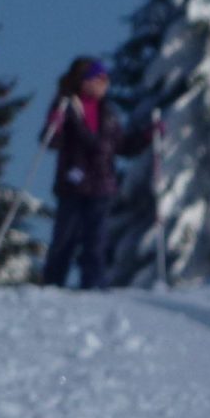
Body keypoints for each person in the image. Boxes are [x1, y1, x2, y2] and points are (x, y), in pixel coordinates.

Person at [40, 56, 157, 290]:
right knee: (66, 238)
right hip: (73, 183)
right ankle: (53, 284)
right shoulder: (67, 107)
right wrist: (55, 124)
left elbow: (122, 146)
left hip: (102, 185)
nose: (105, 83)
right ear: (84, 81)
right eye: (99, 78)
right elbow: (50, 141)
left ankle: (93, 284)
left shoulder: (108, 113)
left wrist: (147, 137)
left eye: (105, 79)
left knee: (96, 240)